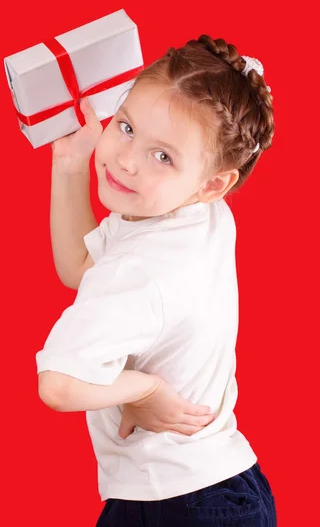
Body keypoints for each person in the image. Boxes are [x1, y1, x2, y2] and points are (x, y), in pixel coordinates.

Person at [36, 35, 277, 526]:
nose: (127, 160)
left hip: (179, 504)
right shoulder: (199, 213)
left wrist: (142, 391)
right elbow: (82, 268)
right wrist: (69, 163)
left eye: (162, 156)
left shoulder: (141, 270)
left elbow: (58, 385)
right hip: (222, 481)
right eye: (125, 127)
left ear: (213, 183)